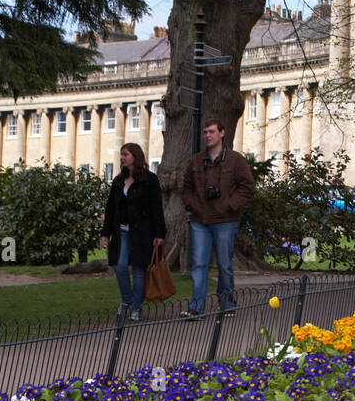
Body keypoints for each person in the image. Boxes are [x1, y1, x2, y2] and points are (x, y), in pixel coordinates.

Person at [182, 118, 255, 316]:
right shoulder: (197, 160)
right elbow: (186, 187)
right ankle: (196, 308)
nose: (207, 135)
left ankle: (227, 304)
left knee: (224, 264)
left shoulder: (235, 160)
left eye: (211, 132)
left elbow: (248, 187)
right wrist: (191, 205)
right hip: (200, 219)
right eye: (205, 132)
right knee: (199, 264)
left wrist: (230, 205)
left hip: (225, 220)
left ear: (222, 133)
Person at [99, 143, 166, 320]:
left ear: (135, 156)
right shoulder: (118, 181)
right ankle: (126, 299)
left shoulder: (149, 180)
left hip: (142, 232)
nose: (122, 158)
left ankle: (136, 307)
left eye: (126, 154)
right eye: (121, 154)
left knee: (138, 269)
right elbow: (111, 207)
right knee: (119, 265)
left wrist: (159, 234)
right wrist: (105, 233)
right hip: (121, 232)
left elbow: (156, 208)